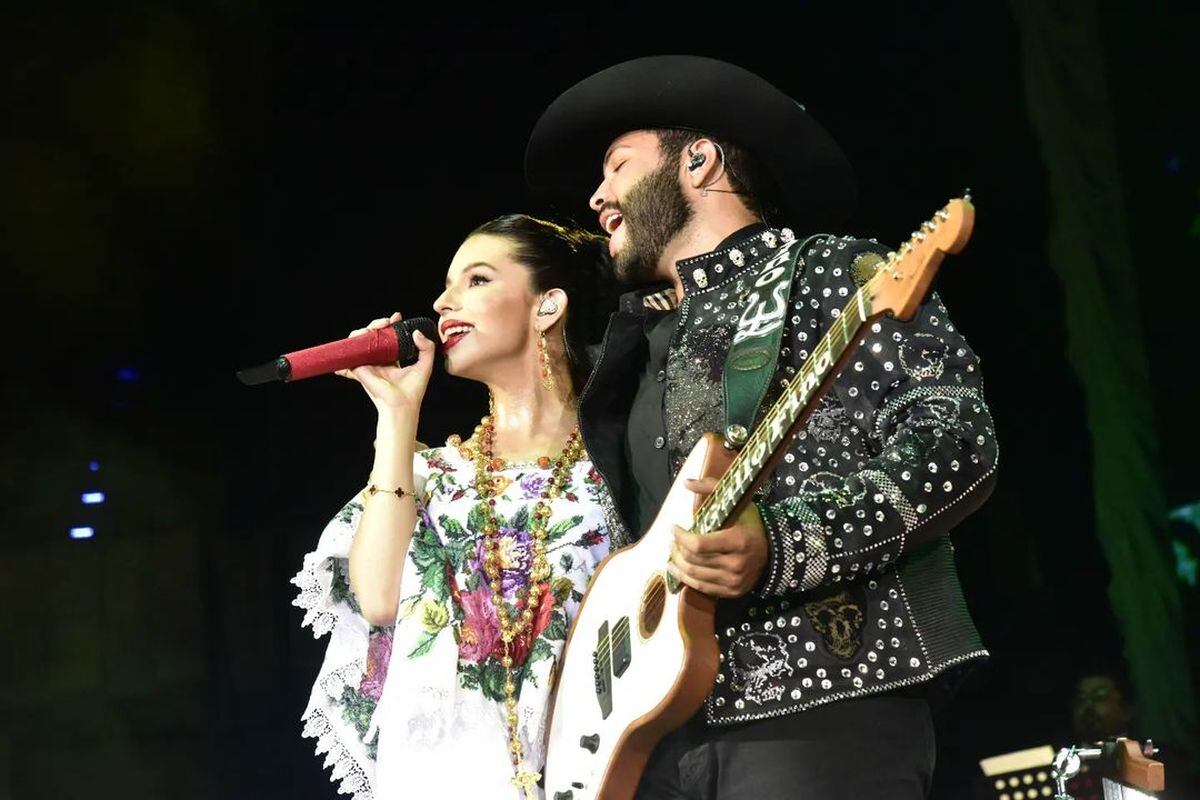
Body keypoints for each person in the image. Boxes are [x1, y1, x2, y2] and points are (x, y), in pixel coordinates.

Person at [525, 55, 1000, 798]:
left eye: (617, 166)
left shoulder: (835, 273)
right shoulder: (629, 348)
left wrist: (781, 543)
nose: (597, 195)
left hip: (820, 705)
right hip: (653, 740)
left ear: (699, 160)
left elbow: (954, 443)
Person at [291, 215, 617, 799]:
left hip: (610, 765)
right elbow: (379, 599)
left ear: (548, 306)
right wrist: (397, 413)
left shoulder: (625, 457)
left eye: (477, 280)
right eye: (446, 285)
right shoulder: (431, 476)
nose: (442, 303)